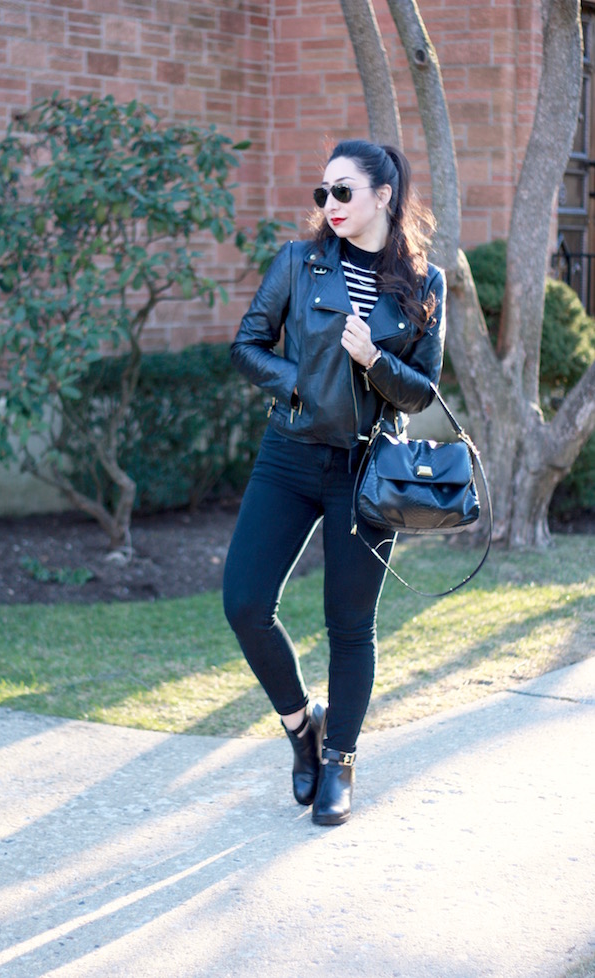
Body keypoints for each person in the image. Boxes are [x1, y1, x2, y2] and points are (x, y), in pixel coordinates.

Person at [223, 139, 446, 826]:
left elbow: (423, 392)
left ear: (383, 195)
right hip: (289, 456)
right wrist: (301, 387)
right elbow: (246, 346)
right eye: (324, 193)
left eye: (343, 191)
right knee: (245, 602)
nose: (330, 204)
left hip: (366, 469)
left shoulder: (424, 283)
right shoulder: (299, 262)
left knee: (350, 627)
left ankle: (340, 760)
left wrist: (374, 359)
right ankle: (303, 729)